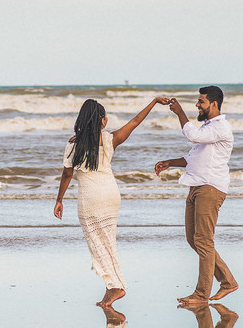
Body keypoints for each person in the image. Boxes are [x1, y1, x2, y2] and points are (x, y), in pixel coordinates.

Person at [55, 96, 168, 307]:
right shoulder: (110, 139)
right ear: (102, 120)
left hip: (90, 199)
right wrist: (153, 102)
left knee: (98, 244)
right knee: (108, 243)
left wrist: (59, 199)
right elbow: (135, 122)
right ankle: (112, 287)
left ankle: (115, 286)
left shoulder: (73, 144)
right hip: (110, 196)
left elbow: (66, 175)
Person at [154, 86, 238, 305]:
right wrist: (170, 163)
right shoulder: (209, 128)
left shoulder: (220, 127)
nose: (197, 105)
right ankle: (228, 281)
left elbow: (192, 136)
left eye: (201, 102)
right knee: (194, 239)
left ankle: (202, 294)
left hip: (210, 188)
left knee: (203, 240)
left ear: (214, 104)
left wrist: (179, 112)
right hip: (196, 186)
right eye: (197, 102)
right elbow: (193, 156)